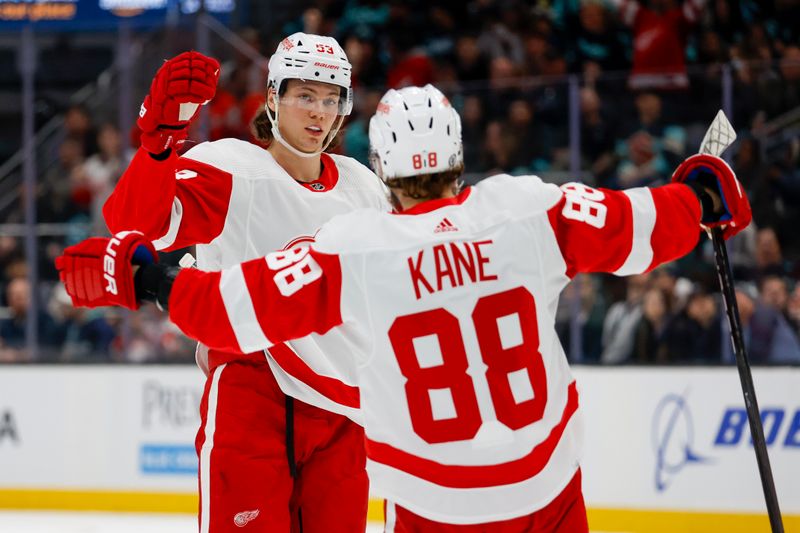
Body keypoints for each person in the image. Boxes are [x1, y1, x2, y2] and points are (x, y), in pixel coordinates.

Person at [58, 84, 752, 531]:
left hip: (436, 505)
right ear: (458, 150)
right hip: (548, 489)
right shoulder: (525, 207)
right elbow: (643, 223)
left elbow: (222, 312)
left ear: (383, 167)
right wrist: (702, 195)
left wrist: (150, 277)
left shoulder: (356, 246)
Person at [100, 36, 389, 532]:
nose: (319, 113)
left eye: (330, 98)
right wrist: (158, 142)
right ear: (273, 97)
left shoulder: (364, 185)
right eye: (304, 95)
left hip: (345, 413)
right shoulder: (233, 171)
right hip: (254, 396)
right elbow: (134, 221)